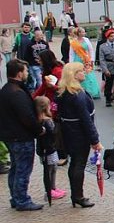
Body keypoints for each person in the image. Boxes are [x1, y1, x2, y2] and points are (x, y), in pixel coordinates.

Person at [56, 62, 102, 209]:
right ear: (74, 75)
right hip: (79, 134)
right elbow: (86, 119)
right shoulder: (78, 95)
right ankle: (78, 196)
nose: (84, 73)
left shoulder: (64, 91)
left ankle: (75, 194)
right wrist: (95, 140)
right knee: (79, 164)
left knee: (75, 163)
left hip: (68, 132)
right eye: (81, 71)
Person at [0, 59, 44, 211]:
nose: (27, 73)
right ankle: (22, 200)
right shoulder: (16, 93)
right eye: (25, 71)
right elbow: (27, 118)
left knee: (16, 167)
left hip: (10, 136)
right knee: (23, 170)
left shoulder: (6, 89)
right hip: (20, 137)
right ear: (19, 74)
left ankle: (16, 197)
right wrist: (39, 130)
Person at [34, 96, 65, 203]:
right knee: (49, 170)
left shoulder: (39, 120)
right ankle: (49, 191)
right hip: (48, 150)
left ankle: (53, 188)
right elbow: (52, 134)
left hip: (47, 149)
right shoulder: (46, 121)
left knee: (53, 169)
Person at [68, 27, 100, 98]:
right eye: (82, 32)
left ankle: (92, 92)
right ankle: (81, 91)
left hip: (86, 60)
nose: (84, 33)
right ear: (78, 33)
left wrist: (92, 59)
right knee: (79, 75)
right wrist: (71, 63)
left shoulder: (86, 40)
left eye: (84, 32)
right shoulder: (73, 42)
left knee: (89, 75)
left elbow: (91, 50)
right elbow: (71, 54)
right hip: (77, 61)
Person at [99, 28, 114, 107]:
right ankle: (108, 98)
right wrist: (105, 70)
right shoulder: (103, 46)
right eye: (111, 36)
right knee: (109, 84)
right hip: (109, 66)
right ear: (107, 37)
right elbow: (102, 59)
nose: (113, 38)